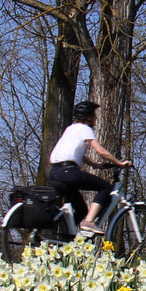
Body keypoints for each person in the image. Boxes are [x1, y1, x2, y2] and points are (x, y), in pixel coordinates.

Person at [48, 100, 132, 235]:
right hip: (69, 172)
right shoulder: (85, 129)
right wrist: (120, 163)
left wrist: (95, 165)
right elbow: (101, 151)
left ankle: (66, 240)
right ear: (88, 117)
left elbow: (75, 154)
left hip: (54, 174)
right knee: (105, 187)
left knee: (81, 211)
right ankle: (89, 222)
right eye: (94, 115)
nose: (96, 117)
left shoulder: (70, 129)